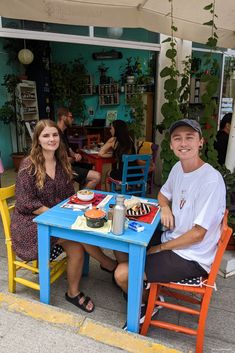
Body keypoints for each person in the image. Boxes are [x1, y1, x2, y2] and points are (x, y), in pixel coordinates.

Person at [114, 118, 226, 326]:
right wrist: (165, 207)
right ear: (172, 145)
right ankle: (138, 284)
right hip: (174, 238)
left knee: (121, 273)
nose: (183, 143)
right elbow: (163, 195)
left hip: (191, 255)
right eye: (178, 139)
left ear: (200, 142)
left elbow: (198, 234)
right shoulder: (178, 168)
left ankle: (149, 303)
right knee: (122, 239)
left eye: (189, 138)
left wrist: (159, 249)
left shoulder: (211, 180)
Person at [10, 119, 117, 313]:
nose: (51, 139)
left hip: (53, 219)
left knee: (78, 242)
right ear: (37, 139)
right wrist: (56, 215)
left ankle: (73, 292)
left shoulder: (60, 162)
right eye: (46, 135)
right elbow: (25, 202)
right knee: (77, 234)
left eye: (54, 135)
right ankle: (109, 265)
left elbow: (68, 194)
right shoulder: (28, 165)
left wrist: (78, 207)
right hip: (30, 225)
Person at [57, 107, 101, 189]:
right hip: (63, 168)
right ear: (63, 117)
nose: (72, 119)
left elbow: (69, 150)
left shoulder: (63, 132)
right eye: (70, 117)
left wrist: (76, 154)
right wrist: (73, 158)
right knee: (96, 177)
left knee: (92, 167)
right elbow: (62, 160)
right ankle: (79, 198)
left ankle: (82, 193)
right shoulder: (56, 134)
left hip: (69, 163)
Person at [98, 119, 136, 191]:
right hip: (135, 174)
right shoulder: (130, 139)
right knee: (118, 171)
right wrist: (115, 154)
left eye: (111, 128)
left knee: (108, 173)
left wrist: (113, 154)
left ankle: (109, 195)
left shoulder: (114, 140)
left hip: (124, 175)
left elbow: (100, 153)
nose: (110, 130)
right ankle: (125, 188)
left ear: (116, 129)